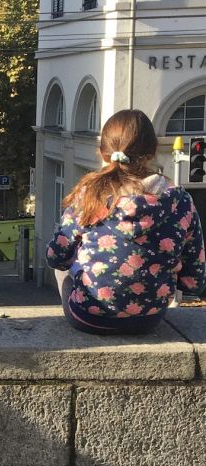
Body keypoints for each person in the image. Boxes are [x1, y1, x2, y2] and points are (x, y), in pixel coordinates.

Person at [46, 108, 205, 334]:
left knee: (63, 271)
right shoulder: (181, 201)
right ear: (152, 152)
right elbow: (194, 281)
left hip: (89, 317)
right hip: (149, 319)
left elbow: (56, 257)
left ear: (102, 153)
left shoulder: (89, 195)